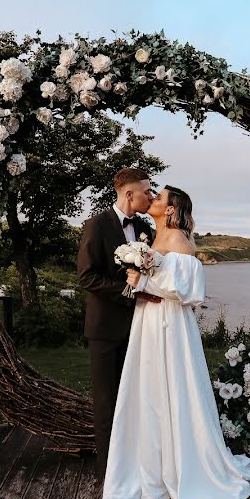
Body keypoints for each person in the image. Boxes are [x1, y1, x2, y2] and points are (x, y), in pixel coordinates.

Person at [101, 185, 250, 499]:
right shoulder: (153, 236)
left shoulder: (179, 240)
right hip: (149, 321)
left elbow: (187, 289)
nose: (154, 199)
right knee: (148, 388)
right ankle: (151, 466)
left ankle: (181, 465)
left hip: (169, 324)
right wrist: (139, 277)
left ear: (171, 210)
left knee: (172, 384)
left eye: (160, 197)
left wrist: (141, 281)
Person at [77, 167, 159, 478]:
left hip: (141, 328)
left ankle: (137, 465)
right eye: (146, 191)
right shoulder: (96, 225)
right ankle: (109, 472)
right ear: (129, 194)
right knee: (107, 402)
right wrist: (131, 292)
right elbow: (87, 276)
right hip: (106, 331)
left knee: (137, 399)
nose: (149, 196)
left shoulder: (144, 228)